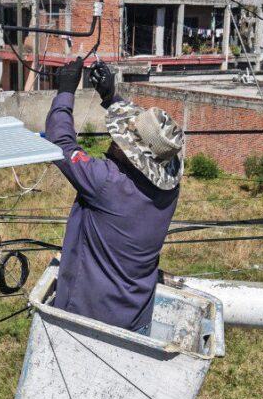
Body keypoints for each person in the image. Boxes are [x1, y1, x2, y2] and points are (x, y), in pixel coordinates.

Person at [43, 57, 185, 334]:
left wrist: (65, 92)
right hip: (136, 319)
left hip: (87, 322)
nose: (114, 141)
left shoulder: (106, 183)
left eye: (121, 141)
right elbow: (146, 135)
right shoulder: (169, 188)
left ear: (132, 156)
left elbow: (60, 141)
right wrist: (111, 96)